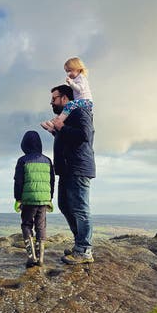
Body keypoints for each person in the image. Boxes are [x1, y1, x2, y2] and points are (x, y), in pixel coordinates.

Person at [49, 84, 96, 264]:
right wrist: (55, 131)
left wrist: (61, 127)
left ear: (64, 98)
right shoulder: (68, 116)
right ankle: (80, 244)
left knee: (80, 209)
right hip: (68, 169)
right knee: (64, 205)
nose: (51, 102)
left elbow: (85, 135)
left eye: (54, 98)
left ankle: (84, 250)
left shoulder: (80, 111)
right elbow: (71, 139)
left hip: (78, 168)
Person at [13, 130, 55, 267]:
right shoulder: (48, 160)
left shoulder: (23, 160)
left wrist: (18, 198)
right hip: (43, 200)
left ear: (24, 145)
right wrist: (50, 198)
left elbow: (18, 181)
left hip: (28, 200)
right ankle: (41, 258)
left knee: (26, 224)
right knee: (41, 226)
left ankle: (32, 257)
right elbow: (52, 181)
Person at [41, 57, 93, 133]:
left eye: (69, 71)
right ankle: (54, 125)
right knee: (68, 110)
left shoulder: (81, 78)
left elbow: (80, 89)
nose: (68, 74)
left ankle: (56, 122)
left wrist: (71, 83)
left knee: (70, 105)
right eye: (66, 71)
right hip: (80, 102)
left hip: (86, 102)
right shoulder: (76, 79)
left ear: (78, 69)